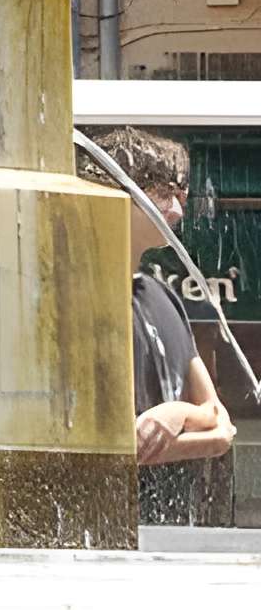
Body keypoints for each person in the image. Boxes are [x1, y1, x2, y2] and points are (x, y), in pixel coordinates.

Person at [86, 125, 235, 524]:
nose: (177, 210)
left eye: (180, 195)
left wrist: (173, 415)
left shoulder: (160, 295)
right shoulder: (82, 297)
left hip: (171, 525)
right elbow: (113, 448)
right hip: (109, 523)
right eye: (163, 192)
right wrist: (192, 428)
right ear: (117, 191)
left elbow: (220, 423)